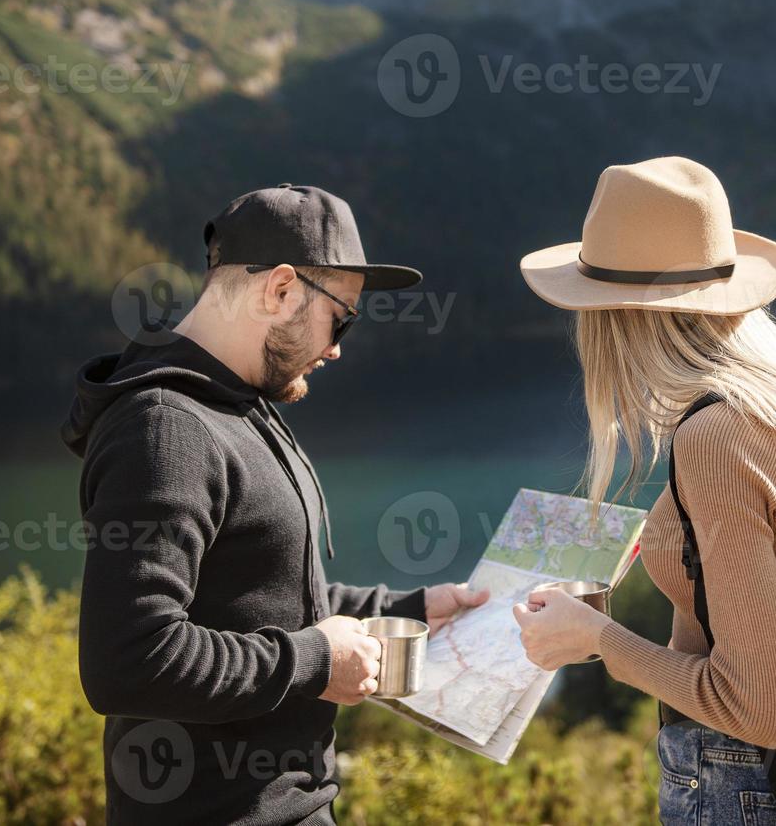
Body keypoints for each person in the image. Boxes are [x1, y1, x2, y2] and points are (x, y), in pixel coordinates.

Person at [61, 184, 489, 825]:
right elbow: (127, 662)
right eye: (341, 318)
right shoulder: (166, 429)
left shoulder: (239, 404)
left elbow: (261, 595)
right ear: (281, 289)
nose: (339, 345)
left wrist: (404, 611)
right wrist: (317, 662)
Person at [510, 157, 776, 824]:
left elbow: (760, 710)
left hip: (744, 785)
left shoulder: (716, 438)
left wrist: (599, 638)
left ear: (619, 318)